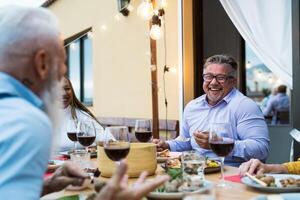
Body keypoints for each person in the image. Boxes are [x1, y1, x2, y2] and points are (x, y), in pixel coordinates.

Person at [0, 5, 168, 199]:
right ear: (42, 63)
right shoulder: (27, 122)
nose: (64, 70)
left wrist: (45, 186)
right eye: (62, 62)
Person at [154, 54, 270, 166]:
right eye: (208, 77)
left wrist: (219, 144)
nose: (213, 82)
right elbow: (187, 141)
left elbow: (260, 149)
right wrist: (167, 145)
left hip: (232, 175)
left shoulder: (245, 106)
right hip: (196, 171)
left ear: (233, 81)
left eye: (221, 78)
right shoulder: (192, 107)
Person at [59, 77, 104, 152]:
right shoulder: (41, 117)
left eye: (67, 88)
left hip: (78, 161)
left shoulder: (82, 116)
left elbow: (108, 139)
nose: (64, 93)